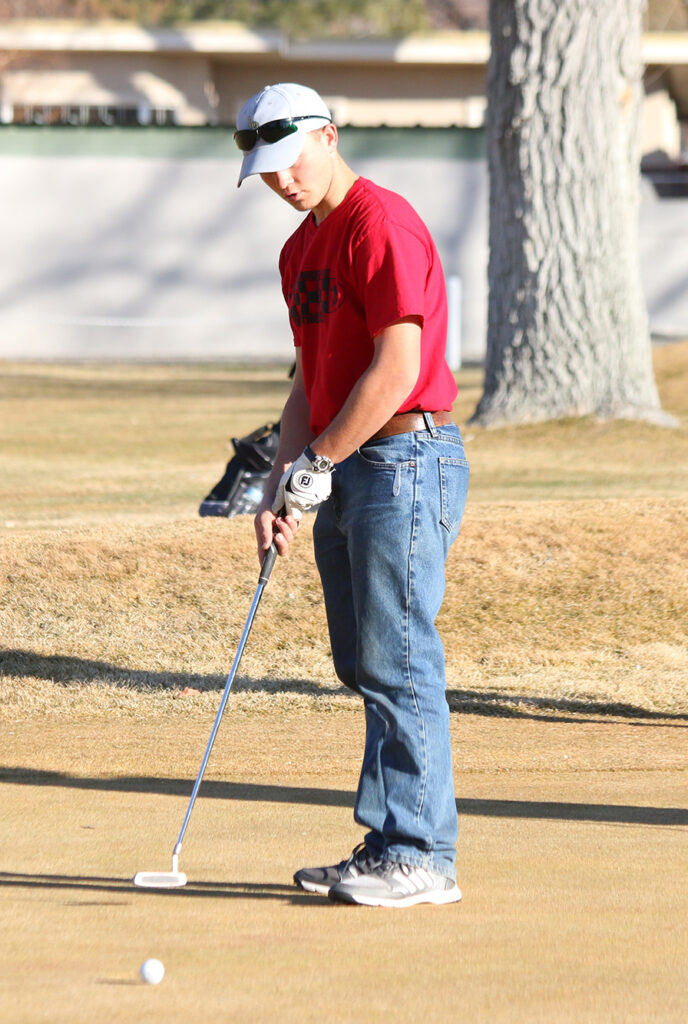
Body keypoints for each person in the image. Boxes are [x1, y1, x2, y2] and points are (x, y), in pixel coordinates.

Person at [234, 82, 469, 908]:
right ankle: (389, 841)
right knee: (365, 661)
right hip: (346, 468)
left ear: (329, 135)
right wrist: (278, 484)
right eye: (266, 172)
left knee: (400, 659)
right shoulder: (298, 254)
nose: (281, 180)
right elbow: (307, 385)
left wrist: (320, 463)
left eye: (290, 159)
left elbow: (396, 370)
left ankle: (423, 856)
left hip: (407, 455)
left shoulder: (383, 223)